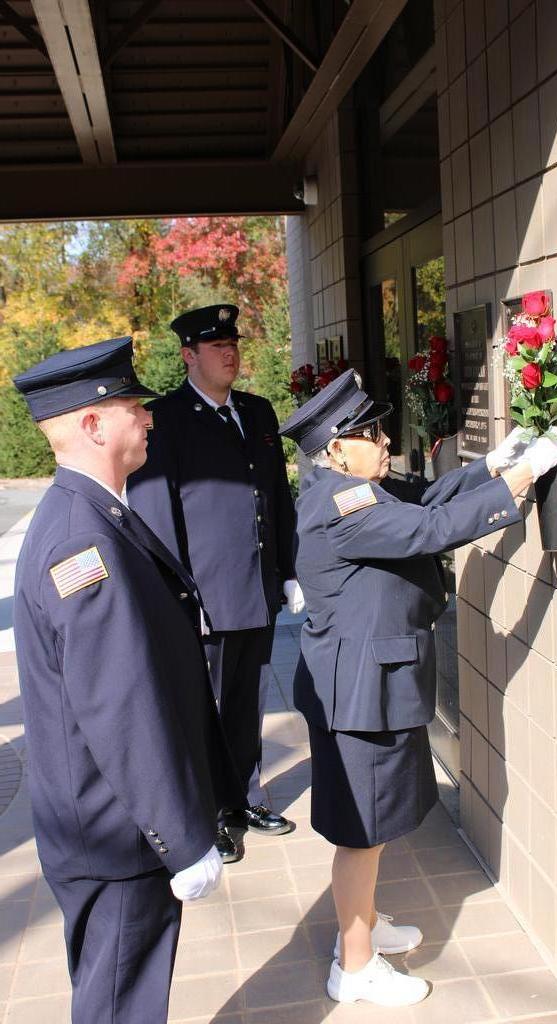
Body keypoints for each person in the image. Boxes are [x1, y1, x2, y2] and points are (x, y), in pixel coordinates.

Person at [279, 368, 557, 1007]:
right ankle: (353, 968)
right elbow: (428, 531)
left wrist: (496, 463)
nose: (385, 441)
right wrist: (518, 484)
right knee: (362, 831)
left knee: (374, 824)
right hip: (359, 692)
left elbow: (427, 499)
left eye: (380, 428)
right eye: (369, 433)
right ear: (334, 449)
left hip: (364, 682)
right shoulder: (338, 506)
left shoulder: (352, 489)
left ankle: (362, 926)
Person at [12, 337, 246, 1024]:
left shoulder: (93, 514)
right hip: (119, 833)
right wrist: (182, 838)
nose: (147, 419)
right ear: (90, 425)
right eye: (131, 407)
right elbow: (120, 707)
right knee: (121, 1004)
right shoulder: (82, 543)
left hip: (111, 820)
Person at [127, 304, 300, 861]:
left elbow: (277, 497)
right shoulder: (167, 418)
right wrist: (181, 600)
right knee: (204, 710)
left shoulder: (257, 411)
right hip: (205, 597)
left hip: (257, 589)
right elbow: (156, 517)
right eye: (216, 346)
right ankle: (207, 815)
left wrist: (291, 569)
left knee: (246, 701)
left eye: (234, 344)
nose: (231, 353)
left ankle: (244, 798)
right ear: (188, 356)